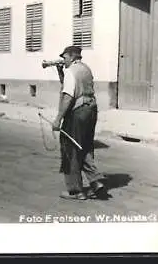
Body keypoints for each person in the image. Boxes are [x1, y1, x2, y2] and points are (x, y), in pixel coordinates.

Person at [51, 45, 105, 200]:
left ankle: (76, 191)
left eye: (65, 57)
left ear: (72, 57)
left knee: (70, 148)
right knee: (85, 145)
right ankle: (95, 181)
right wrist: (60, 71)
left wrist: (58, 119)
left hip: (78, 112)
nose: (63, 60)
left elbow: (68, 96)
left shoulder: (71, 72)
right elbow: (76, 87)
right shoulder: (86, 69)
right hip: (91, 110)